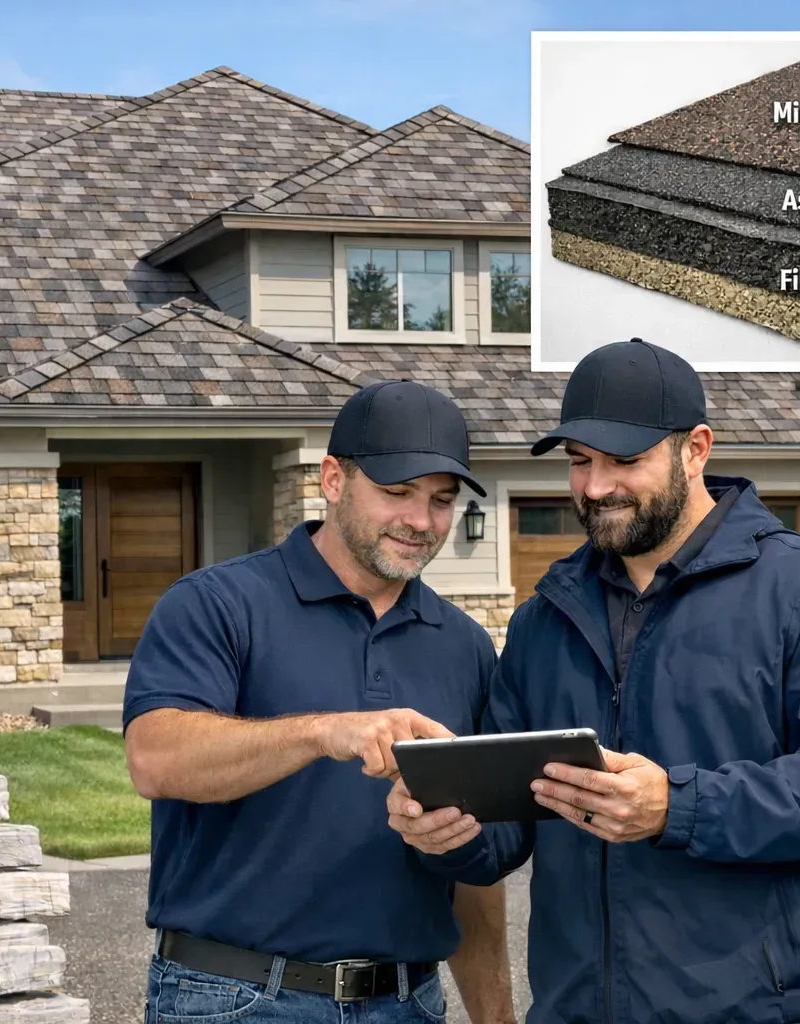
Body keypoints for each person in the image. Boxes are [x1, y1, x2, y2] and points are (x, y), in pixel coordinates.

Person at [388, 339, 800, 1024]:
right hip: (580, 1008)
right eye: (580, 462)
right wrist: (448, 829)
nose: (595, 486)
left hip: (770, 1009)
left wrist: (679, 806)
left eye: (624, 460)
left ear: (695, 450)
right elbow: (505, 825)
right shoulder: (543, 622)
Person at [123, 379, 517, 1024]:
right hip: (236, 998)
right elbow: (156, 760)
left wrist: (496, 1017)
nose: (421, 522)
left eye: (441, 501)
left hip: (408, 1002)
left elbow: (474, 866)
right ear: (333, 480)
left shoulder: (465, 644)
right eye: (396, 493)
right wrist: (320, 732)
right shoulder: (216, 604)